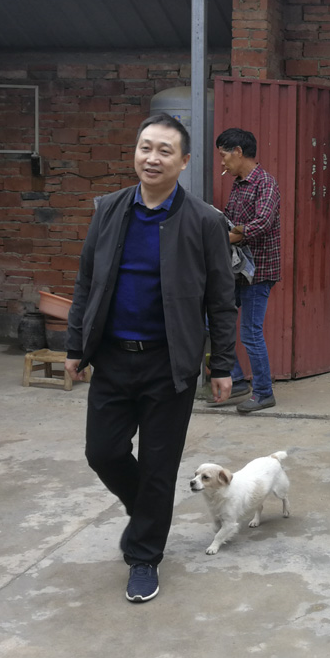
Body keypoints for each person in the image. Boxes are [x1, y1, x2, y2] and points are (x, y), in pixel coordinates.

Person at [64, 111, 236, 604]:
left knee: (159, 466)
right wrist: (75, 346)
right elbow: (86, 281)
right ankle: (146, 513)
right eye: (145, 147)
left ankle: (143, 558)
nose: (152, 158)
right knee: (103, 452)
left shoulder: (204, 221)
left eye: (165, 150)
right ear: (135, 153)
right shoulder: (109, 210)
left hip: (169, 364)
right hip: (113, 357)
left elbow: (221, 300)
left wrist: (221, 364)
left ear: (184, 161)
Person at [216, 127, 281, 413]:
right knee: (211, 320)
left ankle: (264, 393)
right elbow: (232, 222)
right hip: (237, 271)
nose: (222, 162)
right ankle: (237, 380)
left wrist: (225, 237)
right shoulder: (239, 184)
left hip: (259, 272)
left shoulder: (266, 183)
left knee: (251, 333)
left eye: (224, 155)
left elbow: (261, 223)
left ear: (238, 152)